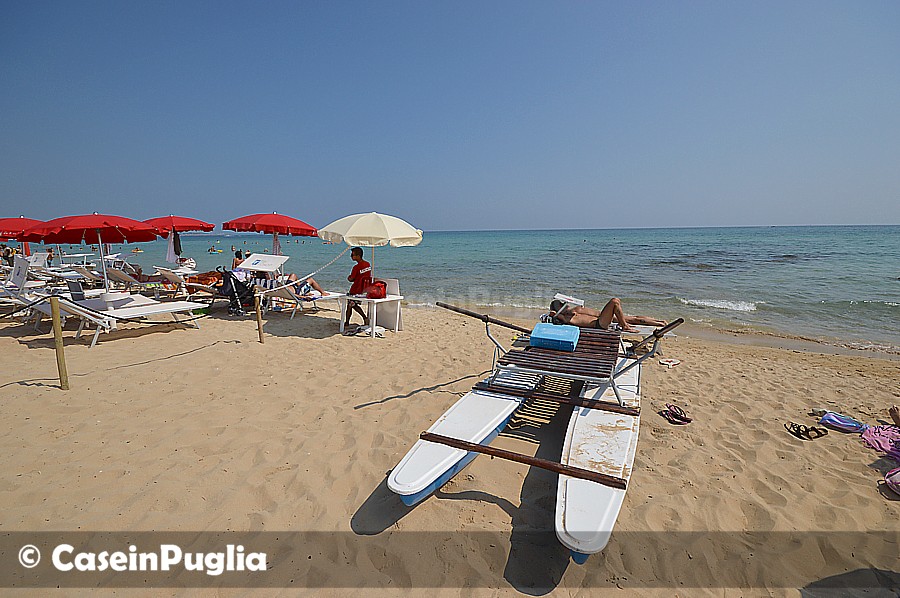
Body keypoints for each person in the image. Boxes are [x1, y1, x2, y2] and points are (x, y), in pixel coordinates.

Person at [548, 298, 667, 333]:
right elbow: (553, 316)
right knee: (614, 302)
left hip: (604, 317)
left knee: (634, 318)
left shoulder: (575, 309)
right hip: (599, 324)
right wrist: (555, 314)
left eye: (563, 302)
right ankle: (624, 326)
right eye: (560, 304)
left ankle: (660, 322)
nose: (564, 304)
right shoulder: (564, 318)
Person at [344, 247, 372, 327]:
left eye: (352, 255)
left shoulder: (356, 267)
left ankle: (347, 322)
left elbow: (351, 278)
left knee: (350, 305)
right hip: (365, 289)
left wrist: (349, 277)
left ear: (358, 256)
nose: (351, 256)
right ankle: (363, 318)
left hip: (356, 290)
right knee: (352, 304)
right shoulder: (368, 264)